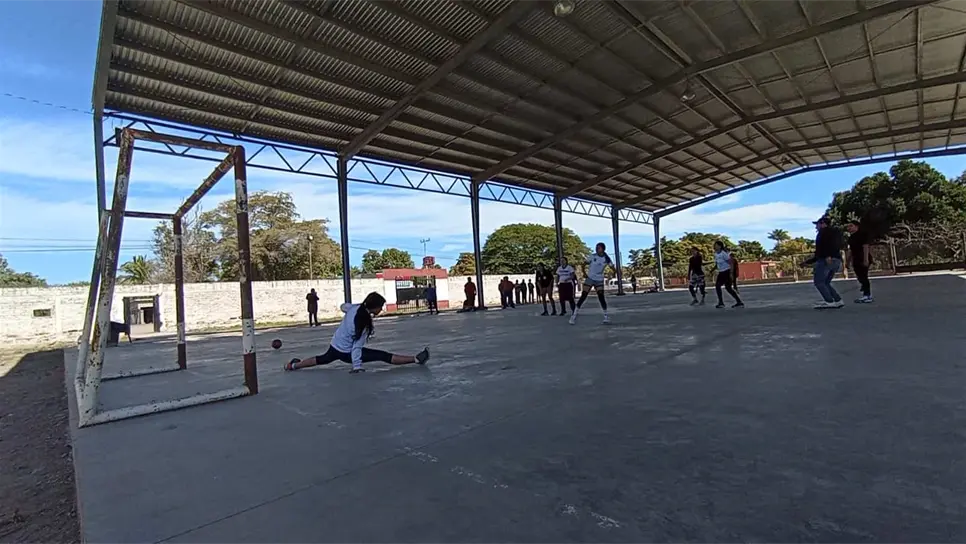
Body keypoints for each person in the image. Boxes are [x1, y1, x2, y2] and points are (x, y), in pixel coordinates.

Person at [285, 292, 430, 374]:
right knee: (382, 356)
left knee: (321, 359)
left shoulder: (354, 308)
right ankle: (416, 359)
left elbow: (343, 306)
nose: (381, 309)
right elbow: (356, 347)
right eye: (380, 307)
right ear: (374, 307)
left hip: (335, 345)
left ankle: (293, 366)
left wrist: (351, 306)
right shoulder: (363, 323)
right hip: (347, 353)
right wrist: (357, 367)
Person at [569, 243, 613, 325]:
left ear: (603, 249)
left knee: (601, 296)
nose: (597, 249)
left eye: (598, 248)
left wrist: (611, 274)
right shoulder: (592, 256)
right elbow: (584, 263)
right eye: (596, 247)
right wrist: (584, 272)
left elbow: (612, 267)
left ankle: (606, 316)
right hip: (590, 278)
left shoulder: (606, 258)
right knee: (584, 295)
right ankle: (574, 315)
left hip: (599, 279)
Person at [811, 215, 845, 309]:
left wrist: (827, 255)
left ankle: (829, 301)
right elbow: (838, 245)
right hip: (836, 259)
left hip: (826, 260)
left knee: (819, 282)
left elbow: (824, 247)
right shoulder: (836, 232)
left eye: (817, 224)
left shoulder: (824, 233)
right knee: (826, 282)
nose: (816, 227)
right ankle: (838, 300)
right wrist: (810, 261)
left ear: (823, 224)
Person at [846, 220, 874, 303]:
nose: (849, 228)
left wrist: (866, 259)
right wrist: (847, 261)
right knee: (859, 276)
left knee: (863, 276)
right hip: (856, 259)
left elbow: (865, 247)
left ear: (857, 226)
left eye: (851, 226)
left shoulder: (862, 235)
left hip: (862, 257)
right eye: (848, 226)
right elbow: (850, 250)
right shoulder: (851, 238)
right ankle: (864, 289)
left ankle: (867, 295)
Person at [712, 241, 744, 309]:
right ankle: (738, 302)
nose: (714, 246)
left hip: (726, 272)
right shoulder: (716, 254)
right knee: (724, 287)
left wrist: (731, 273)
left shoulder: (723, 254)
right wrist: (712, 270)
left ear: (720, 246)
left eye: (716, 245)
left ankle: (722, 303)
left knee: (725, 287)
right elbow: (717, 264)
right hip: (721, 272)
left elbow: (731, 263)